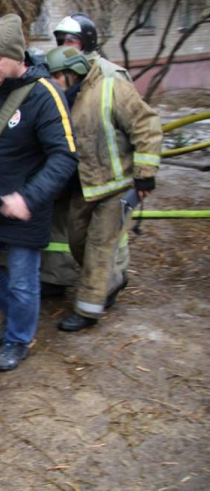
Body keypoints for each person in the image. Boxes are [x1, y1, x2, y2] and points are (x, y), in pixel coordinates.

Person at [0, 14, 78, 371]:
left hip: (27, 205)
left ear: (17, 58)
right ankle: (16, 316)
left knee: (24, 282)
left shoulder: (45, 95)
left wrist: (29, 197)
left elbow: (65, 156)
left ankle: (18, 338)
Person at [44, 46, 163, 332]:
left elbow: (146, 126)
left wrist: (145, 175)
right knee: (77, 241)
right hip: (83, 188)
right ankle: (112, 280)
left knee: (98, 247)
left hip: (116, 186)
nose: (54, 82)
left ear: (73, 73)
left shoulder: (112, 88)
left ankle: (87, 310)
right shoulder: (62, 100)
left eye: (58, 76)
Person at [42, 12, 134, 297]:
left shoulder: (110, 74)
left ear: (86, 41)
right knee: (62, 226)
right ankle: (56, 277)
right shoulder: (56, 69)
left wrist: (136, 174)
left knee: (102, 233)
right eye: (60, 41)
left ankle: (112, 278)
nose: (63, 46)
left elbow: (135, 124)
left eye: (70, 40)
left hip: (102, 171)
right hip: (68, 165)